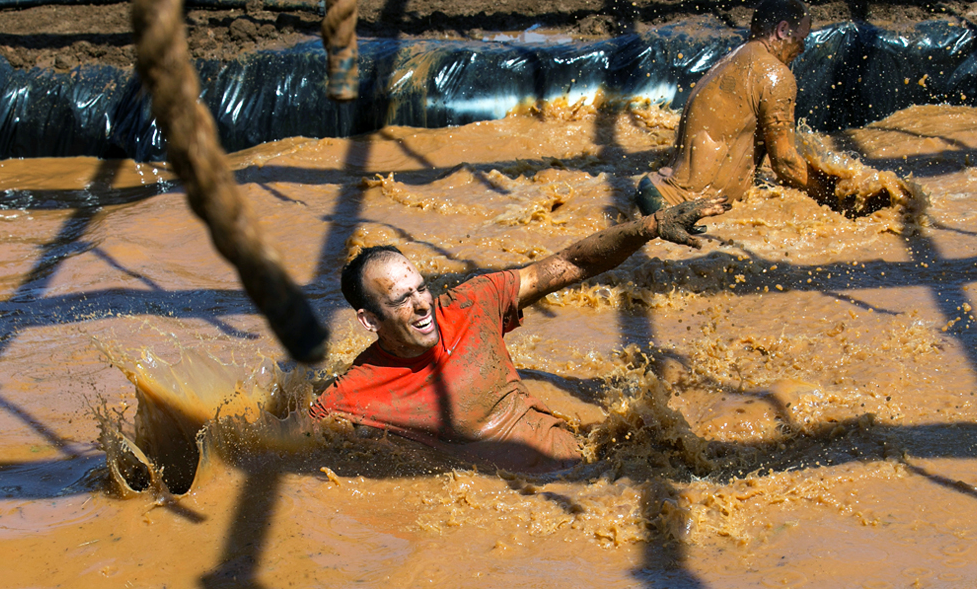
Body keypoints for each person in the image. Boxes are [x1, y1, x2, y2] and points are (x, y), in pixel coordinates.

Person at [309, 197, 730, 473]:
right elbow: (275, 443)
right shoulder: (352, 392)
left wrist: (651, 225)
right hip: (518, 506)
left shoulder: (472, 304)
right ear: (369, 320)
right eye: (402, 299)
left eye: (422, 288)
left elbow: (570, 264)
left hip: (585, 469)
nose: (422, 305)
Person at [636, 0, 833, 214]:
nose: (803, 48)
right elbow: (785, 162)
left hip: (655, 190)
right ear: (783, 30)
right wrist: (835, 196)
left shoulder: (734, 59)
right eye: (802, 38)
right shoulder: (775, 74)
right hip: (682, 207)